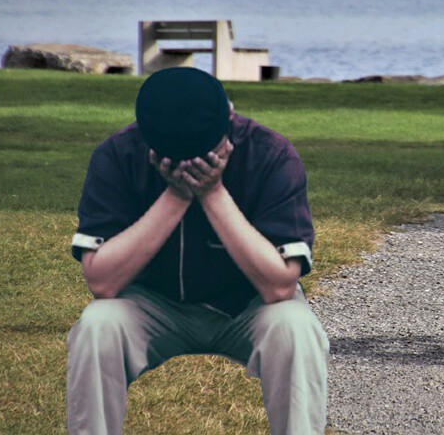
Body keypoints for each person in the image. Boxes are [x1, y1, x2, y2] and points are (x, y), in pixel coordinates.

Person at [66, 67, 329, 434]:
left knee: (296, 328)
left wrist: (212, 193)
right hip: (152, 303)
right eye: (174, 154)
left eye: (199, 151)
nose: (188, 163)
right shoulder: (117, 155)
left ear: (230, 118)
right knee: (97, 325)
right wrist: (176, 196)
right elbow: (102, 282)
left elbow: (279, 286)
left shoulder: (270, 155)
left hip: (248, 306)